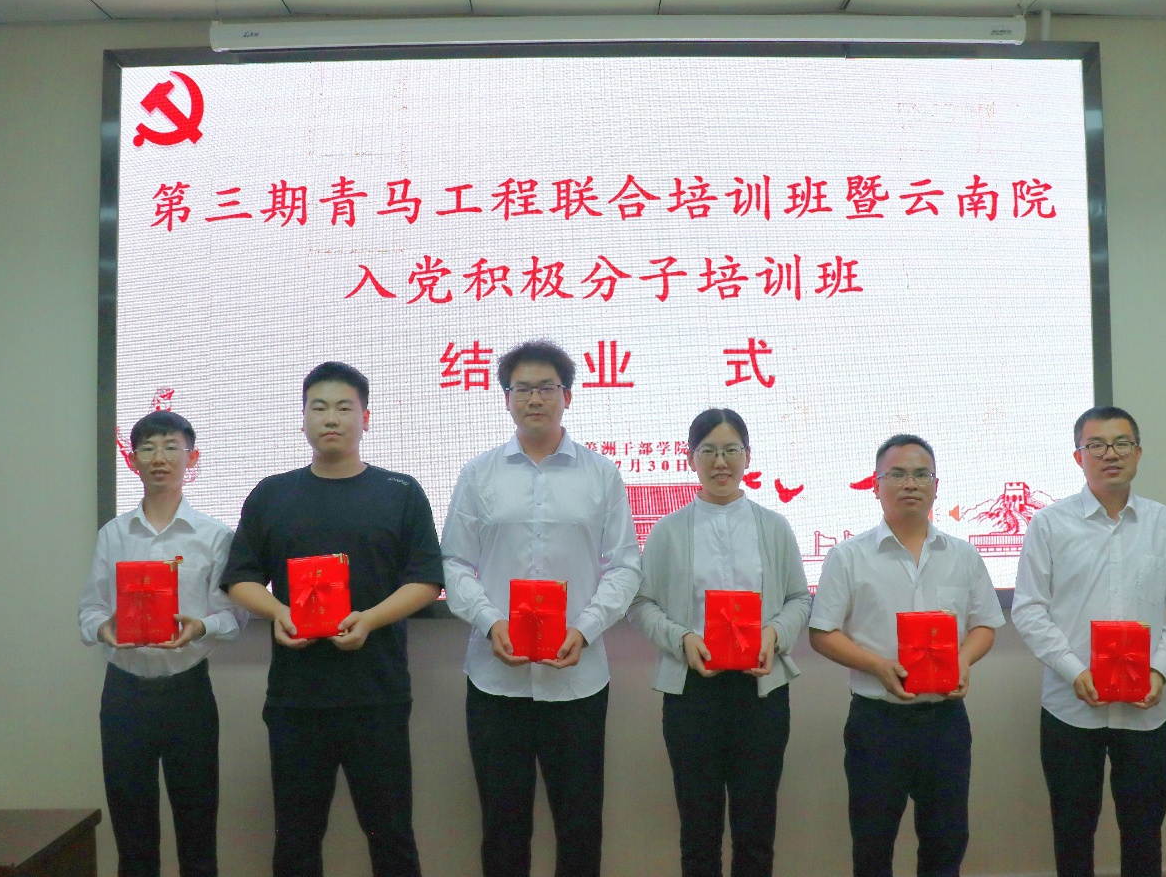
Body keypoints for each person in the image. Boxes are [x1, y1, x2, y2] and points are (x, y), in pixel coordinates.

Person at [220, 362, 443, 877]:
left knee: (392, 836)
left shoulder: (400, 491)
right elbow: (240, 578)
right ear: (302, 419)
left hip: (377, 695)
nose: (331, 418)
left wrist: (370, 619)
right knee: (296, 840)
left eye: (344, 407)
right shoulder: (272, 494)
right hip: (297, 699)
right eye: (318, 407)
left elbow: (428, 580)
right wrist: (278, 611)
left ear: (366, 418)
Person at [441, 340, 642, 877]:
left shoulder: (601, 474)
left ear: (567, 396)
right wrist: (490, 623)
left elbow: (625, 565)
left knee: (579, 825)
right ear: (506, 398)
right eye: (523, 389)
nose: (535, 399)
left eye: (547, 388)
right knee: (503, 827)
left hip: (577, 679)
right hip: (495, 679)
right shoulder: (479, 474)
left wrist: (586, 628)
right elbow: (454, 563)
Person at [1012, 405, 1166, 877]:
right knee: (1072, 831)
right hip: (1070, 706)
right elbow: (1029, 609)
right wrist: (1073, 670)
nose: (1109, 454)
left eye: (1121, 443)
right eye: (1095, 445)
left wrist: (1158, 671)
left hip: (1146, 708)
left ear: (1138, 452)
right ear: (1078, 457)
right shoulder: (1048, 525)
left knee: (1144, 831)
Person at [809, 433, 1004, 877]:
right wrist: (876, 666)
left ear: (936, 486)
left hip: (945, 721)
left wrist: (963, 660)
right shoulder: (848, 556)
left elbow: (985, 625)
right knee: (872, 844)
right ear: (875, 485)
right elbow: (822, 632)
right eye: (896, 474)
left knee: (946, 842)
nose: (910, 483)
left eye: (921, 474)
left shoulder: (963, 555)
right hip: (877, 723)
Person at [627, 408, 810, 877]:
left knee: (756, 832)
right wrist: (681, 639)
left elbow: (799, 599)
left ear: (748, 456)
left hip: (761, 692)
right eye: (708, 450)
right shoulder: (668, 530)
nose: (720, 461)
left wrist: (774, 634)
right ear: (690, 458)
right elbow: (641, 604)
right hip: (693, 694)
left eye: (731, 450)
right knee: (698, 833)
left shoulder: (774, 526)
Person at [79, 410, 248, 877]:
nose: (159, 457)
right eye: (148, 448)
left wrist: (201, 627)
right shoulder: (113, 534)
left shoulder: (215, 536)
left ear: (192, 458)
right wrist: (105, 629)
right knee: (132, 836)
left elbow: (235, 618)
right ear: (133, 460)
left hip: (187, 692)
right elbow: (89, 611)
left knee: (198, 832)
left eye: (172, 447)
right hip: (124, 694)